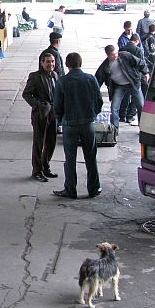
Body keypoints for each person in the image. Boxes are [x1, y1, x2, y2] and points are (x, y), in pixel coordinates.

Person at [53, 52, 103, 199]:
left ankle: (70, 189)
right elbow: (99, 101)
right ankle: (93, 189)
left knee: (70, 159)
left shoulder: (62, 81)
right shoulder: (90, 79)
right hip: (88, 123)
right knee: (91, 157)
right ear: (80, 63)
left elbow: (57, 105)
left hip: (69, 124)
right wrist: (92, 114)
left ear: (67, 65)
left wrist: (61, 118)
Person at [22, 53, 59, 183]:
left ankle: (45, 166)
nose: (51, 64)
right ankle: (37, 171)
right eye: (48, 62)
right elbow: (26, 94)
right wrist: (38, 105)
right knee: (39, 143)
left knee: (51, 141)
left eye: (53, 61)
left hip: (53, 113)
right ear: (42, 63)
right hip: (40, 115)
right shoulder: (35, 77)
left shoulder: (55, 76)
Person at [95, 45, 149, 132]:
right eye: (113, 55)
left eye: (116, 53)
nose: (116, 56)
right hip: (119, 86)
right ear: (108, 55)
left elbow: (139, 62)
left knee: (141, 106)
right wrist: (94, 90)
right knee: (114, 108)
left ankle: (143, 128)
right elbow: (98, 79)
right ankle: (114, 129)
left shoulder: (125, 55)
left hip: (132, 82)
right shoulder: (105, 66)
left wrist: (146, 72)